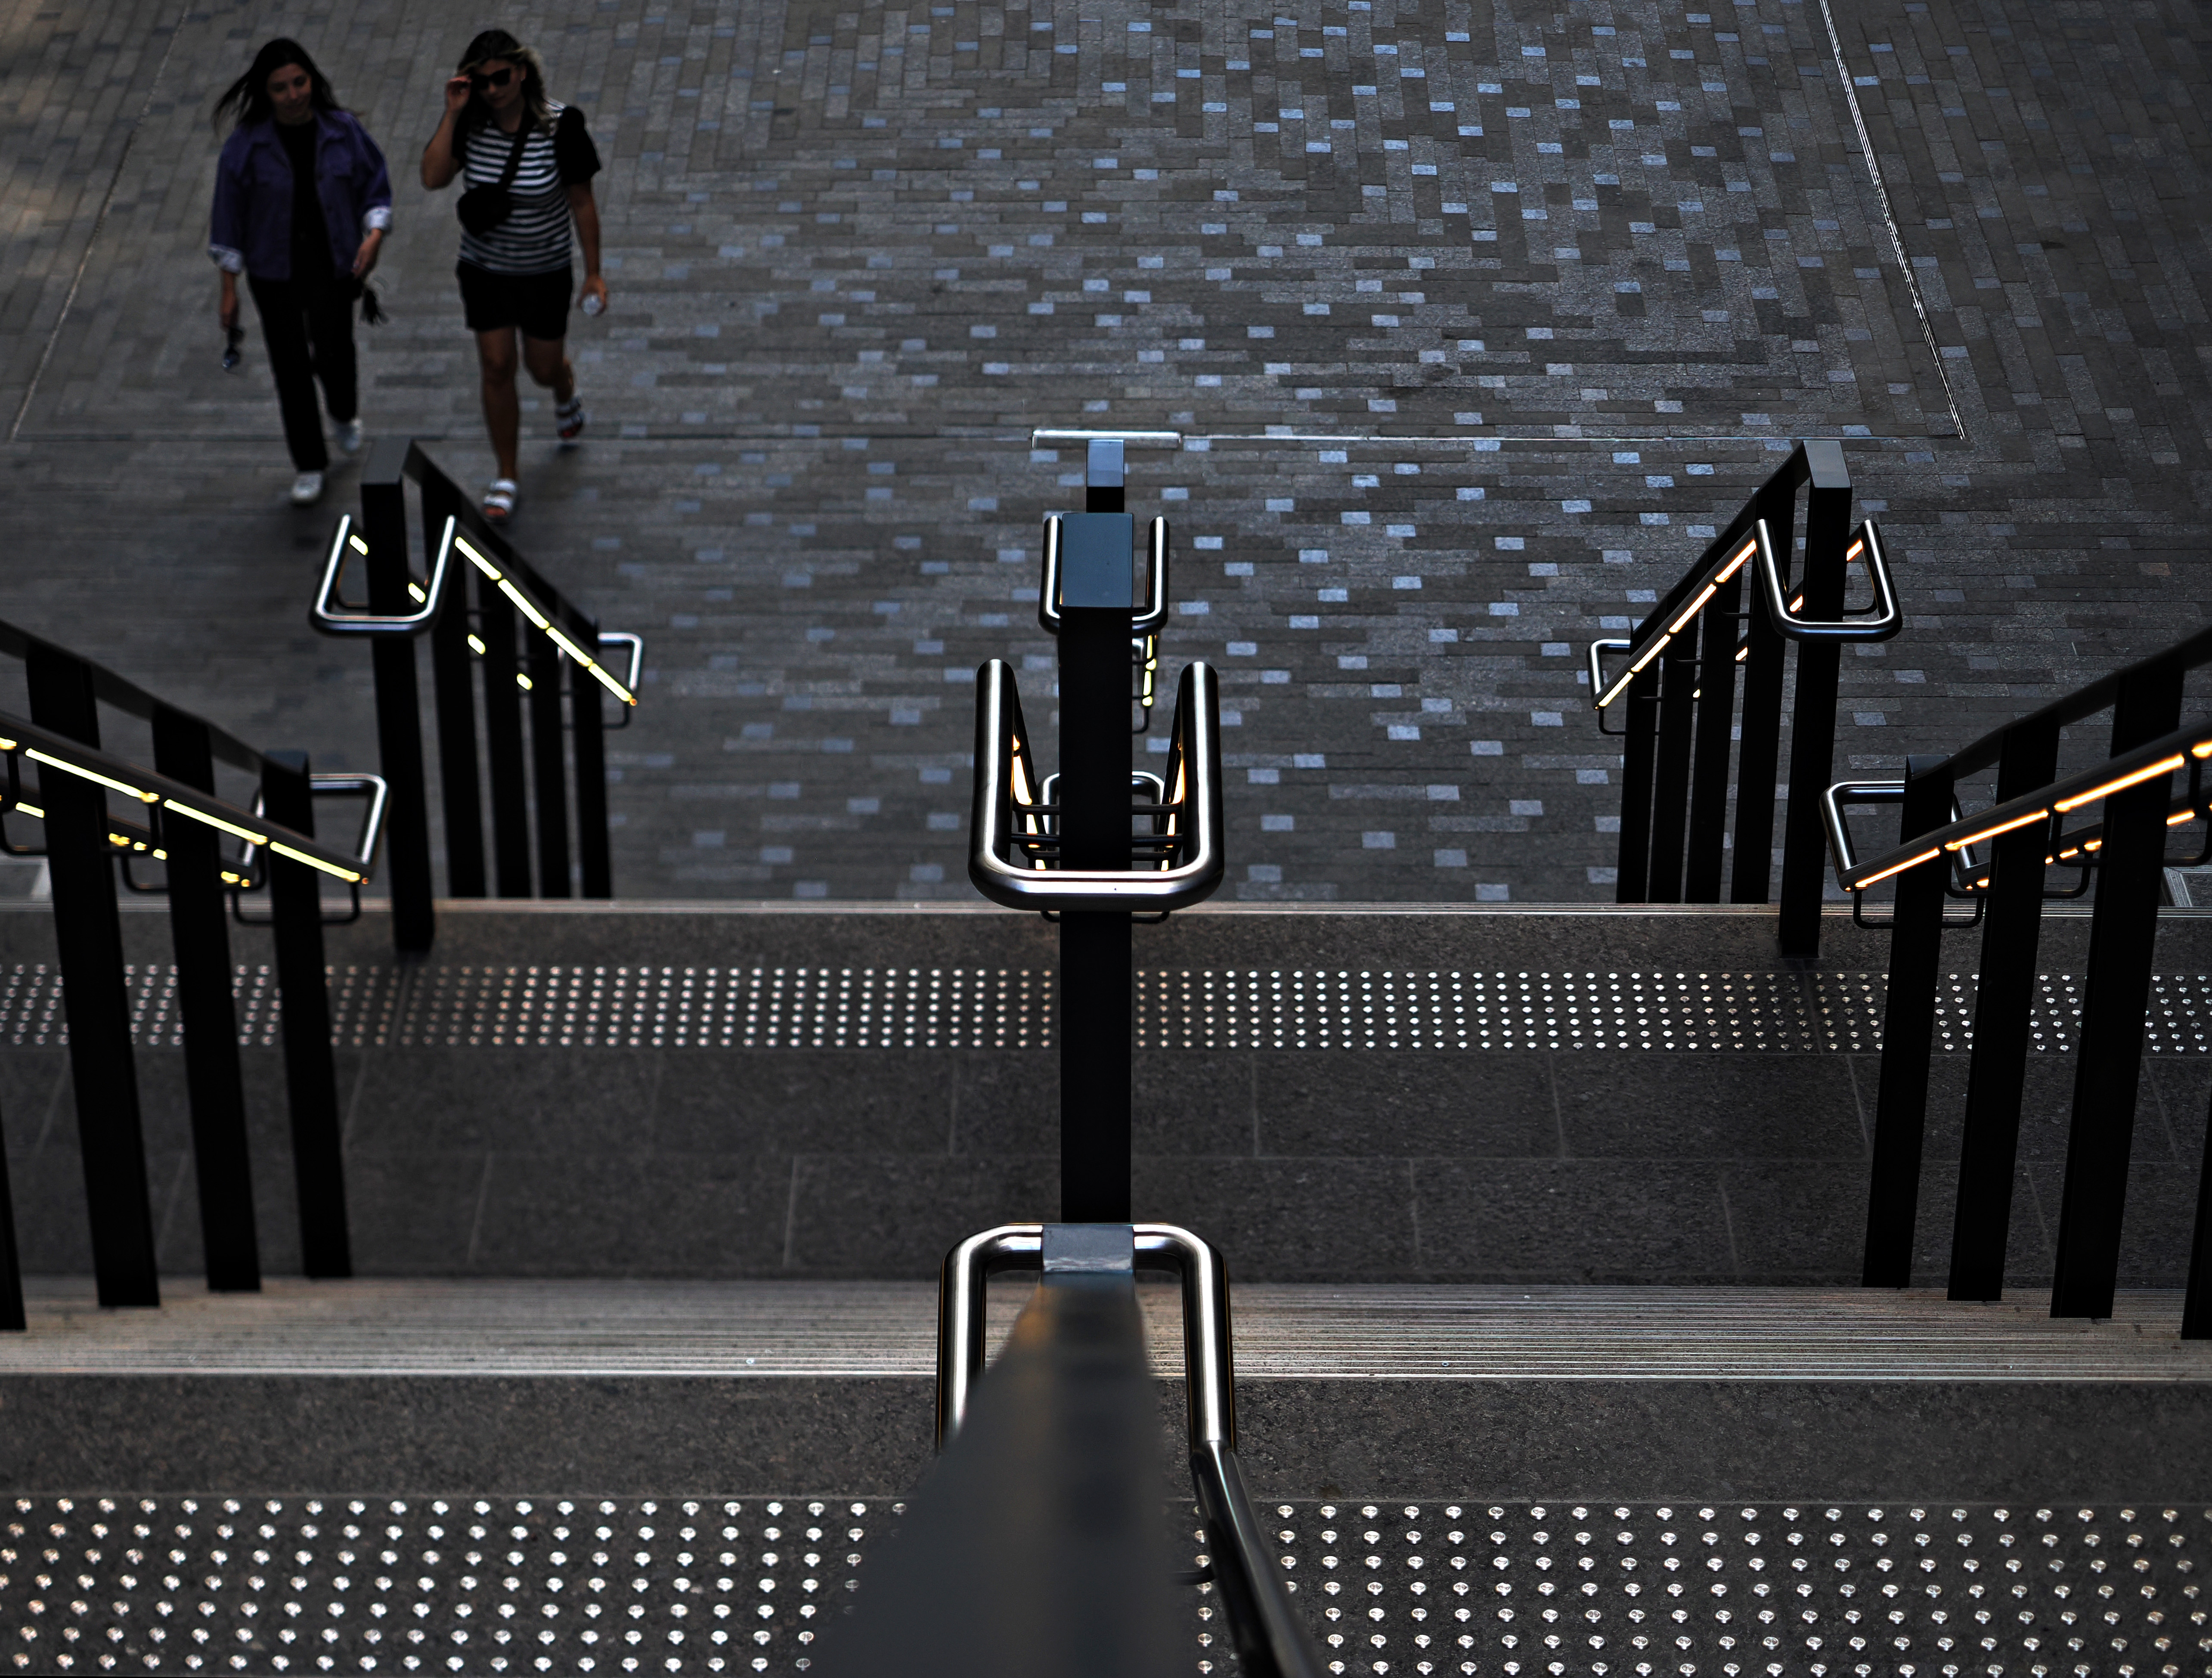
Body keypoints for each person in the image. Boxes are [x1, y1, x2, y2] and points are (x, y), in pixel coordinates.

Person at [419, 29, 606, 527]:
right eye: (481, 82)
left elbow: (582, 202)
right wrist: (452, 113)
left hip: (545, 271)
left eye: (500, 78)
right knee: (497, 365)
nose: (492, 89)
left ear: (521, 73)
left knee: (541, 367)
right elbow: (433, 178)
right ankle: (507, 473)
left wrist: (594, 274)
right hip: (486, 270)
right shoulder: (470, 124)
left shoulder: (561, 126)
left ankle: (563, 387)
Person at [209, 39, 392, 507]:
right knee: (290, 367)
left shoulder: (342, 131)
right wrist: (229, 289)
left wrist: (373, 236)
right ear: (265, 93)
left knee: (334, 353)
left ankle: (343, 412)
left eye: (299, 82)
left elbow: (374, 185)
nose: (293, 95)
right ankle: (309, 463)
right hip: (274, 272)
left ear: (312, 80)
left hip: (333, 263)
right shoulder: (246, 147)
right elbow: (228, 217)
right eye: (280, 88)